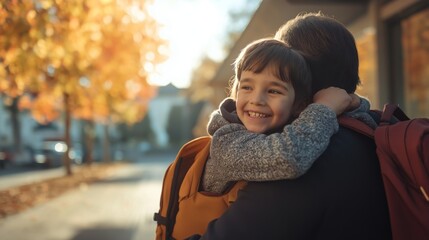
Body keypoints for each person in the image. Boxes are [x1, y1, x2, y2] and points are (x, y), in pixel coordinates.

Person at [190, 12, 392, 240]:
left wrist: (325, 109)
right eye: (248, 86)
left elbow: (289, 156)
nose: (257, 98)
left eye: (275, 86)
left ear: (301, 84)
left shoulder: (307, 151)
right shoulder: (372, 132)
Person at [201, 38, 359, 194]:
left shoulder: (285, 126)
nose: (256, 100)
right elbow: (289, 158)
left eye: (273, 91)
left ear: (299, 106)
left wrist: (352, 102)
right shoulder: (226, 142)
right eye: (247, 87)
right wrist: (326, 107)